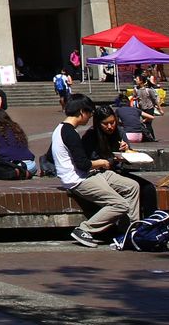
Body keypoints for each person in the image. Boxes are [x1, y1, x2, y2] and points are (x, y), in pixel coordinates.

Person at [54, 95, 138, 247]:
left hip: (89, 174)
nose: (90, 117)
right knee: (120, 204)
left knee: (133, 186)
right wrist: (102, 162)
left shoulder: (62, 129)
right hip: (78, 179)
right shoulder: (70, 134)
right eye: (90, 113)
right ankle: (84, 229)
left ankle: (130, 231)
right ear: (82, 112)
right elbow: (83, 164)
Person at [0, 109, 37, 175]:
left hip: (12, 165)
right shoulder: (16, 128)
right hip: (31, 165)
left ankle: (17, 173)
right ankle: (24, 173)